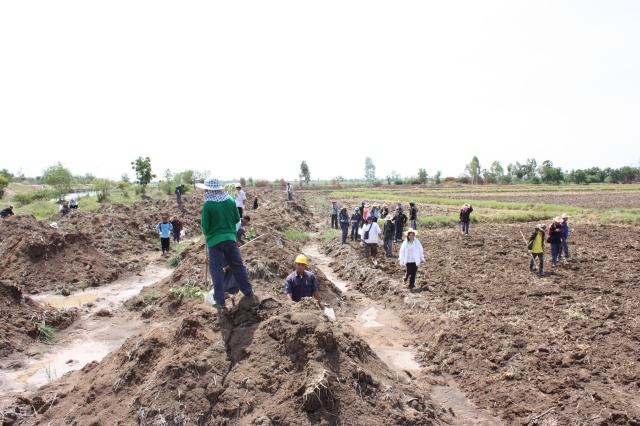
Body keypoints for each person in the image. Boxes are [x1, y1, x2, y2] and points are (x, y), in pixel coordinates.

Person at [198, 177, 255, 309]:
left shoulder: (208, 204)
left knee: (216, 270)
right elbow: (236, 219)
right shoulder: (230, 200)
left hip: (214, 241)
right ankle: (248, 292)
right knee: (238, 265)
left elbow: (205, 228)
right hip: (230, 238)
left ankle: (220, 301)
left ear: (209, 190)